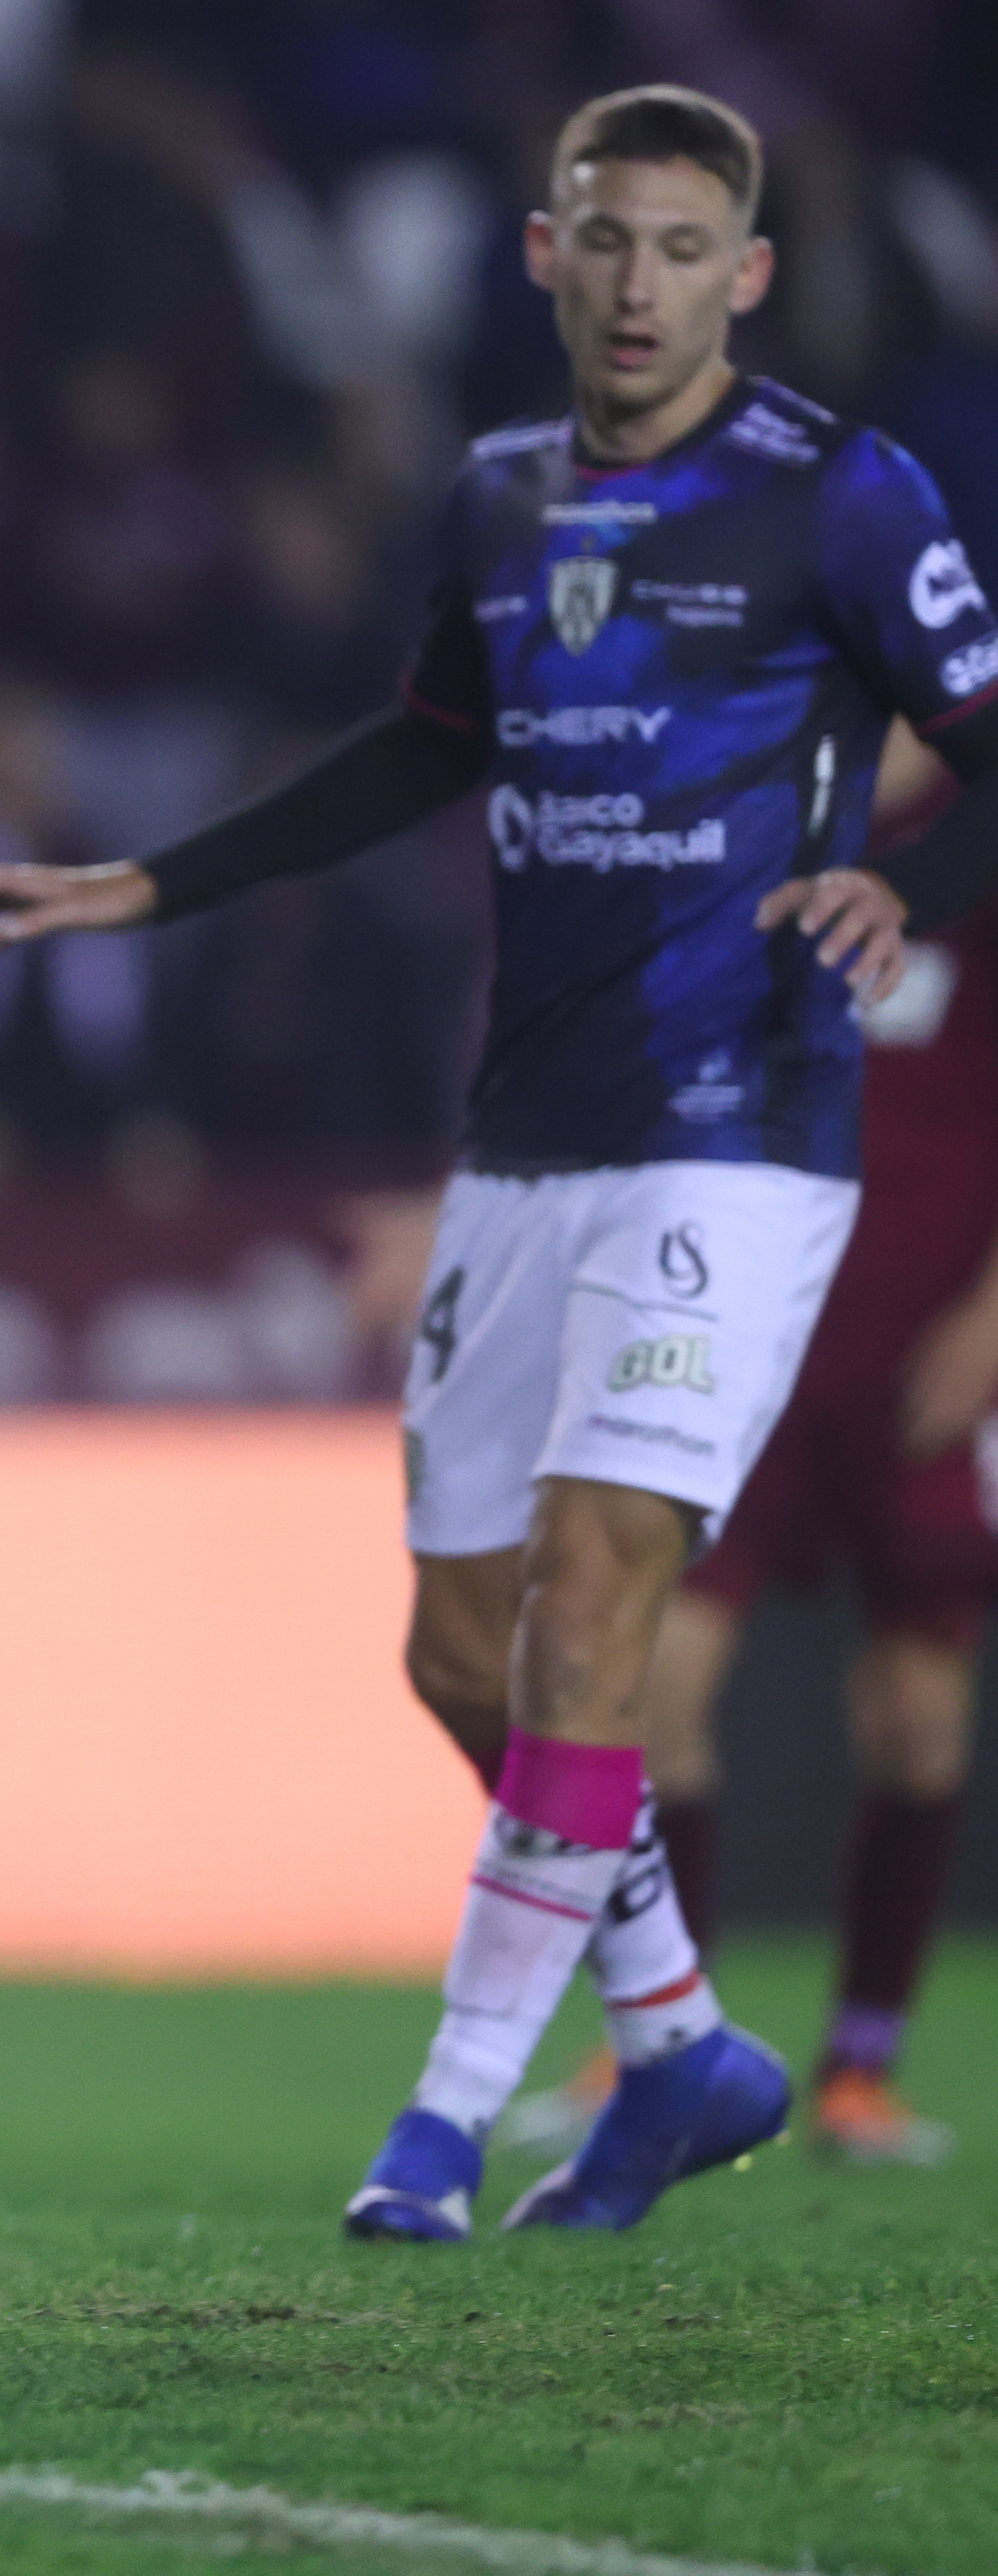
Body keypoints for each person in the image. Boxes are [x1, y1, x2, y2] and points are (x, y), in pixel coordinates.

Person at [0, 85, 998, 2238]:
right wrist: (149, 886)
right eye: (605, 241)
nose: (638, 284)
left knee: (597, 1607)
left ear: (746, 278)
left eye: (685, 251)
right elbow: (423, 747)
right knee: (461, 1654)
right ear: (544, 253)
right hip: (529, 1140)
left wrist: (916, 893)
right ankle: (682, 2039)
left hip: (742, 1135)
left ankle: (438, 2126)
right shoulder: (502, 502)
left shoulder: (843, 497)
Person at [635, 734, 992, 2168]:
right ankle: (662, 2050)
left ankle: (861, 2069)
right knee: (656, 1690)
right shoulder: (751, 833)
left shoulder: (978, 850)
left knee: (914, 1714)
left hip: (925, 1356)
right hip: (755, 1343)